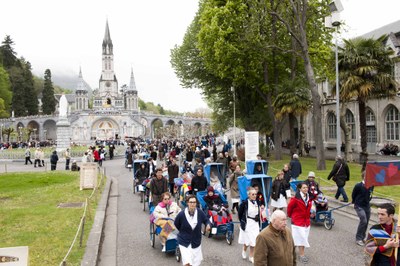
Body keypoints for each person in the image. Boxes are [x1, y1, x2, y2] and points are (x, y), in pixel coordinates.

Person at [174, 195, 211, 266]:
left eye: (194, 202)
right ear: (187, 203)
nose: (192, 204)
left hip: (196, 242)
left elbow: (206, 220)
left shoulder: (200, 212)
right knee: (187, 263)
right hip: (184, 241)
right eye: (191, 202)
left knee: (195, 263)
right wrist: (183, 232)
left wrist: (208, 225)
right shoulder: (181, 214)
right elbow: (176, 223)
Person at [287, 182, 312, 264]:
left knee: (303, 238)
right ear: (300, 189)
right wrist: (291, 216)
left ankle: (301, 254)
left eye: (306, 187)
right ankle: (291, 252)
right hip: (297, 222)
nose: (306, 189)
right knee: (296, 238)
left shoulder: (309, 197)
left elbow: (309, 208)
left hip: (306, 222)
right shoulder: (295, 199)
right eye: (304, 187)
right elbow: (289, 208)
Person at [238, 187, 261, 264]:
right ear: (249, 195)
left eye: (255, 194)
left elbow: (259, 211)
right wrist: (241, 222)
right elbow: (240, 214)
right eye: (253, 194)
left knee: (254, 241)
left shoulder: (258, 202)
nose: (254, 196)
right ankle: (244, 250)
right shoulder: (244, 203)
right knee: (247, 241)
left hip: (255, 224)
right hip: (248, 223)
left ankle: (251, 256)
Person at [352, 171, 374, 246]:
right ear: (363, 177)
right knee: (363, 220)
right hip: (359, 205)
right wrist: (354, 202)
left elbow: (370, 194)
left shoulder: (371, 185)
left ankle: (362, 237)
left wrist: (369, 199)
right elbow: (353, 194)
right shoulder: (358, 185)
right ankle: (358, 238)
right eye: (366, 176)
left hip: (367, 205)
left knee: (367, 221)